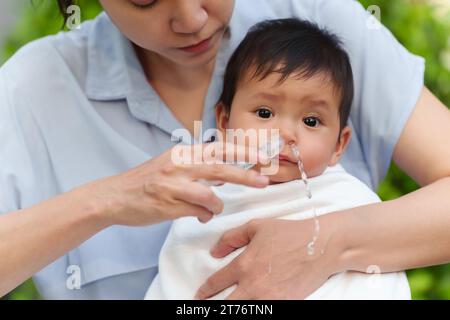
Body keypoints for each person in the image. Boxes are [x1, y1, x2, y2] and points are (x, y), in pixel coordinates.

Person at [0, 0, 449, 300]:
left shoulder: (316, 20)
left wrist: (323, 244)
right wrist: (110, 201)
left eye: (311, 121)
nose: (191, 18)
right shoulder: (31, 91)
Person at [145, 18, 410, 300]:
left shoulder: (350, 202)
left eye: (311, 120)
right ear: (223, 121)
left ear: (338, 145)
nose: (286, 133)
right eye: (264, 113)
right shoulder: (204, 199)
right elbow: (178, 279)